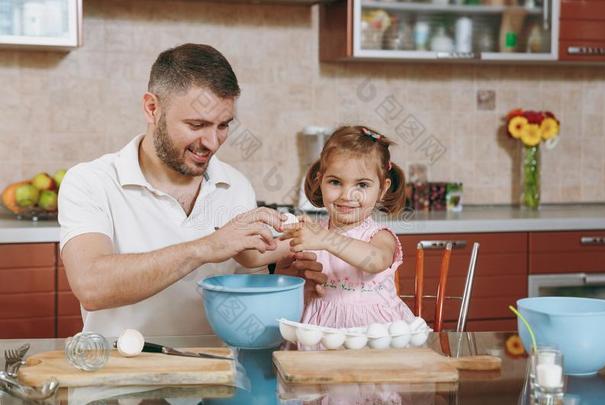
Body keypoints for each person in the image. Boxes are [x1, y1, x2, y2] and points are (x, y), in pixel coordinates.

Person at [58, 43, 325, 337]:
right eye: (197, 124)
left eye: (223, 125)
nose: (212, 142)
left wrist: (282, 284)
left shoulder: (235, 186)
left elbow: (246, 301)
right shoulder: (91, 182)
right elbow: (91, 286)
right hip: (119, 377)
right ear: (152, 108)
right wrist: (208, 247)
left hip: (215, 373)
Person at [238, 125, 414, 328]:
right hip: (319, 331)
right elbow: (254, 258)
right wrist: (235, 237)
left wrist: (326, 239)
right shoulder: (311, 234)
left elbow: (376, 261)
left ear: (382, 189)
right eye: (335, 182)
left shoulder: (379, 236)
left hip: (372, 334)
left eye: (362, 185)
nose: (347, 195)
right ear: (320, 181)